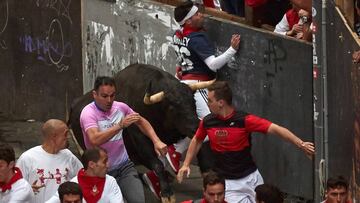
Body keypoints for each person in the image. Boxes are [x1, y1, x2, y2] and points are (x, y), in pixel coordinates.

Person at [177, 81, 315, 203]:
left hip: (252, 178)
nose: (207, 104)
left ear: (221, 103)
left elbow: (276, 129)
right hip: (229, 183)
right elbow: (197, 139)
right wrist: (186, 164)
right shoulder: (208, 122)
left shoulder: (244, 120)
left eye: (210, 100)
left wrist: (301, 144)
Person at [167, 0, 241, 175]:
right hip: (198, 86)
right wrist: (232, 50)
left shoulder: (178, 34)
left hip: (184, 84)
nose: (202, 15)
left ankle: (174, 153)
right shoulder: (197, 38)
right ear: (189, 21)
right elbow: (213, 65)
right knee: (209, 127)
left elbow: (180, 65)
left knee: (199, 126)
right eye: (197, 14)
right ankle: (175, 151)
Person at [80, 76, 167, 202]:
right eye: (104, 96)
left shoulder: (121, 107)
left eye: (112, 95)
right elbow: (94, 139)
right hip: (100, 171)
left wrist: (156, 141)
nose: (109, 100)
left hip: (124, 167)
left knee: (138, 201)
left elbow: (141, 121)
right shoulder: (88, 113)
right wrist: (120, 126)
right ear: (94, 94)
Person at [16, 119, 83, 203]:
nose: (68, 137)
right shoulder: (27, 158)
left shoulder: (69, 156)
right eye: (65, 134)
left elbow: (82, 178)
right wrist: (28, 190)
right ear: (54, 136)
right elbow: (16, 188)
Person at [46, 147, 124, 203]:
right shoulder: (73, 183)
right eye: (104, 162)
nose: (108, 165)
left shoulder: (110, 181)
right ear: (91, 164)